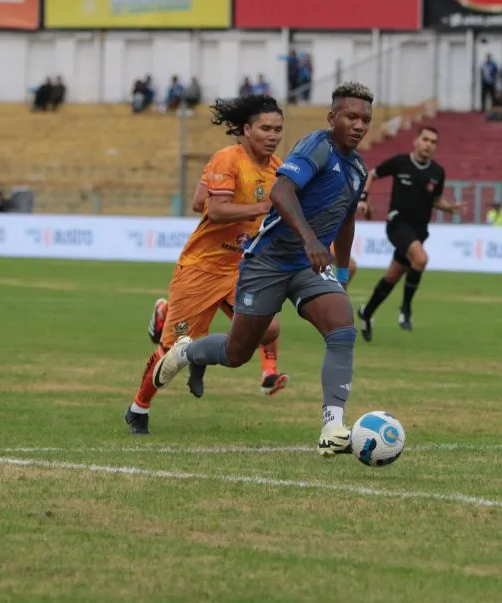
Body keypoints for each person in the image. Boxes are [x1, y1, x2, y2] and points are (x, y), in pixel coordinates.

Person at [151, 82, 373, 458]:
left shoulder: (358, 168)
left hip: (308, 266)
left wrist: (341, 274)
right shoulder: (316, 146)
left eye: (365, 119)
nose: (359, 125)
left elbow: (346, 219)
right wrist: (309, 238)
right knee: (237, 353)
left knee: (342, 327)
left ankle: (332, 428)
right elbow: (280, 192)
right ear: (332, 117)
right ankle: (186, 352)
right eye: (350, 116)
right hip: (267, 262)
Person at [125, 95, 291, 435]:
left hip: (240, 269)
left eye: (278, 129)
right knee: (170, 351)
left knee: (269, 329)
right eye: (266, 128)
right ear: (247, 129)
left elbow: (200, 201)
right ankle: (138, 408)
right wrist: (260, 208)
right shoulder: (228, 159)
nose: (273, 135)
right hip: (202, 268)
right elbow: (213, 210)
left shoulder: (277, 167)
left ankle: (199, 353)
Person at [356, 127, 464, 340]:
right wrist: (364, 198)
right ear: (416, 141)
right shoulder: (400, 162)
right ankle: (405, 308)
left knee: (393, 276)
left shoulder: (437, 172)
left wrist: (449, 208)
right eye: (425, 139)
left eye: (433, 142)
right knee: (421, 259)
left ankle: (366, 313)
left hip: (419, 230)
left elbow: (435, 200)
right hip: (397, 223)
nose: (428, 145)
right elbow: (372, 175)